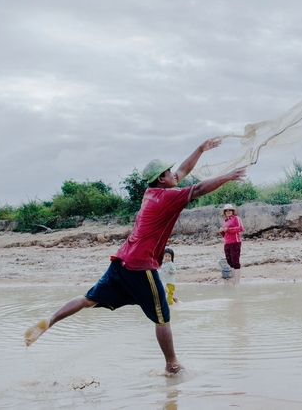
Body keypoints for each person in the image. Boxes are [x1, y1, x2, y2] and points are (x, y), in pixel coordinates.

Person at [24, 138, 247, 375]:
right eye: (169, 172)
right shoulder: (167, 198)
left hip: (120, 262)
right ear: (162, 178)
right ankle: (172, 365)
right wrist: (228, 176)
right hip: (141, 267)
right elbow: (199, 189)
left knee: (89, 299)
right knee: (162, 316)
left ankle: (50, 320)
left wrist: (201, 149)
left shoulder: (152, 193)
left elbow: (183, 171)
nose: (175, 174)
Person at [219, 203, 244, 285]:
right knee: (230, 262)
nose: (228, 212)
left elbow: (241, 228)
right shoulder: (225, 221)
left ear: (233, 211)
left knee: (236, 261)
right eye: (227, 211)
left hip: (235, 242)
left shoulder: (236, 218)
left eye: (230, 210)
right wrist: (221, 231)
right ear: (225, 212)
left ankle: (238, 281)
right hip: (227, 243)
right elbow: (224, 235)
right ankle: (235, 280)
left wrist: (228, 229)